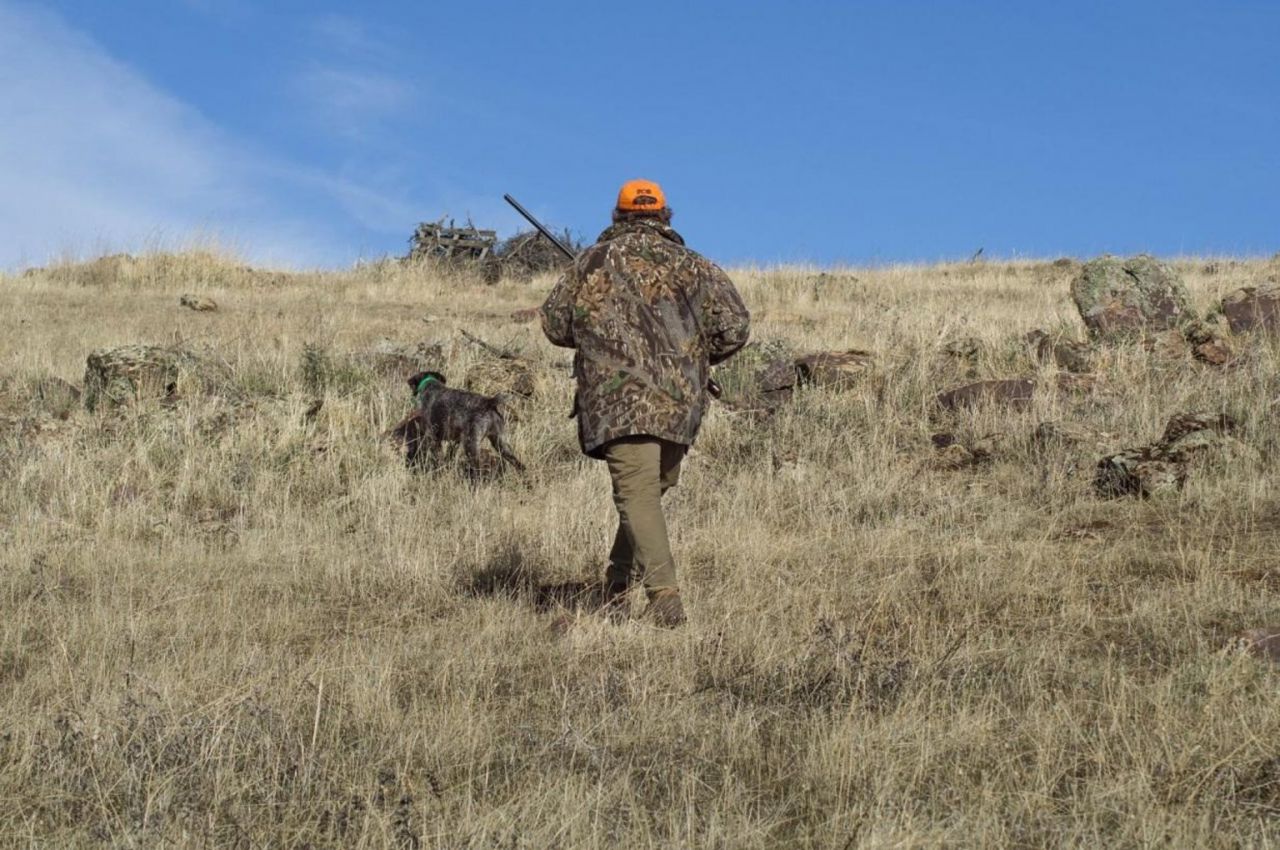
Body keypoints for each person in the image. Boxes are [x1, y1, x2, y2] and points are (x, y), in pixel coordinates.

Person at [539, 179, 750, 626]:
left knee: (643, 496)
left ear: (619, 215)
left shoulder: (592, 261)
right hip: (680, 402)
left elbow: (555, 326)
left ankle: (652, 598)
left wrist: (600, 331)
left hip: (616, 400)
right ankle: (636, 593)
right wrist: (693, 356)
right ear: (664, 215)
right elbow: (735, 328)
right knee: (643, 495)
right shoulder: (696, 266)